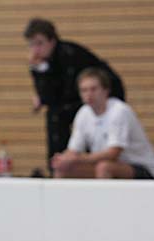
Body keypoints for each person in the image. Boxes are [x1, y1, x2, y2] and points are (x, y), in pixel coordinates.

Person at [24, 17, 125, 169]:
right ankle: (57, 164)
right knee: (54, 115)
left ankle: (74, 164)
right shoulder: (44, 63)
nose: (35, 50)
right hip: (77, 99)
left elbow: (65, 93)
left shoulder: (69, 54)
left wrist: (45, 95)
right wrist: (38, 70)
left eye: (39, 43)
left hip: (104, 97)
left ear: (52, 41)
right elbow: (50, 97)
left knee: (58, 114)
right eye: (32, 44)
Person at [52, 68, 154, 179]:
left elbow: (113, 153)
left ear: (106, 90)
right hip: (110, 165)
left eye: (93, 89)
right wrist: (63, 158)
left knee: (104, 167)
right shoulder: (83, 113)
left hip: (143, 168)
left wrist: (78, 159)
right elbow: (74, 149)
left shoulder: (119, 111)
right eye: (84, 90)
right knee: (63, 169)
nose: (89, 94)